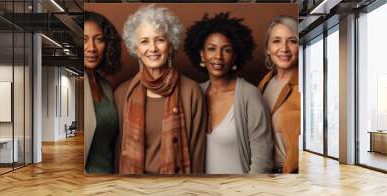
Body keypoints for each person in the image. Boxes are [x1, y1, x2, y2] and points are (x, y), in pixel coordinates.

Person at [114, 5, 207, 175]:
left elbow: (198, 152)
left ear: (171, 44)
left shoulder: (192, 91)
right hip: (134, 189)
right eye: (144, 41)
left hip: (177, 187)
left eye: (160, 40)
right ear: (136, 49)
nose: (153, 48)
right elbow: (118, 150)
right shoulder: (122, 93)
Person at [184, 12, 273, 174]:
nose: (218, 56)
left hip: (238, 193)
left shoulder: (249, 95)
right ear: (201, 55)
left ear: (235, 57)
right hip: (199, 194)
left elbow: (263, 160)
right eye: (211, 49)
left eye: (226, 50)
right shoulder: (194, 93)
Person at [258, 16, 300, 173]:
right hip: (263, 171)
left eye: (292, 41)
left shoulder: (306, 85)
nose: (284, 48)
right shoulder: (263, 84)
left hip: (289, 172)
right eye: (276, 41)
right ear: (268, 48)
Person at [84, 11, 121, 173]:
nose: (91, 48)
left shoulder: (105, 86)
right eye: (84, 40)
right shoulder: (77, 82)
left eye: (98, 39)